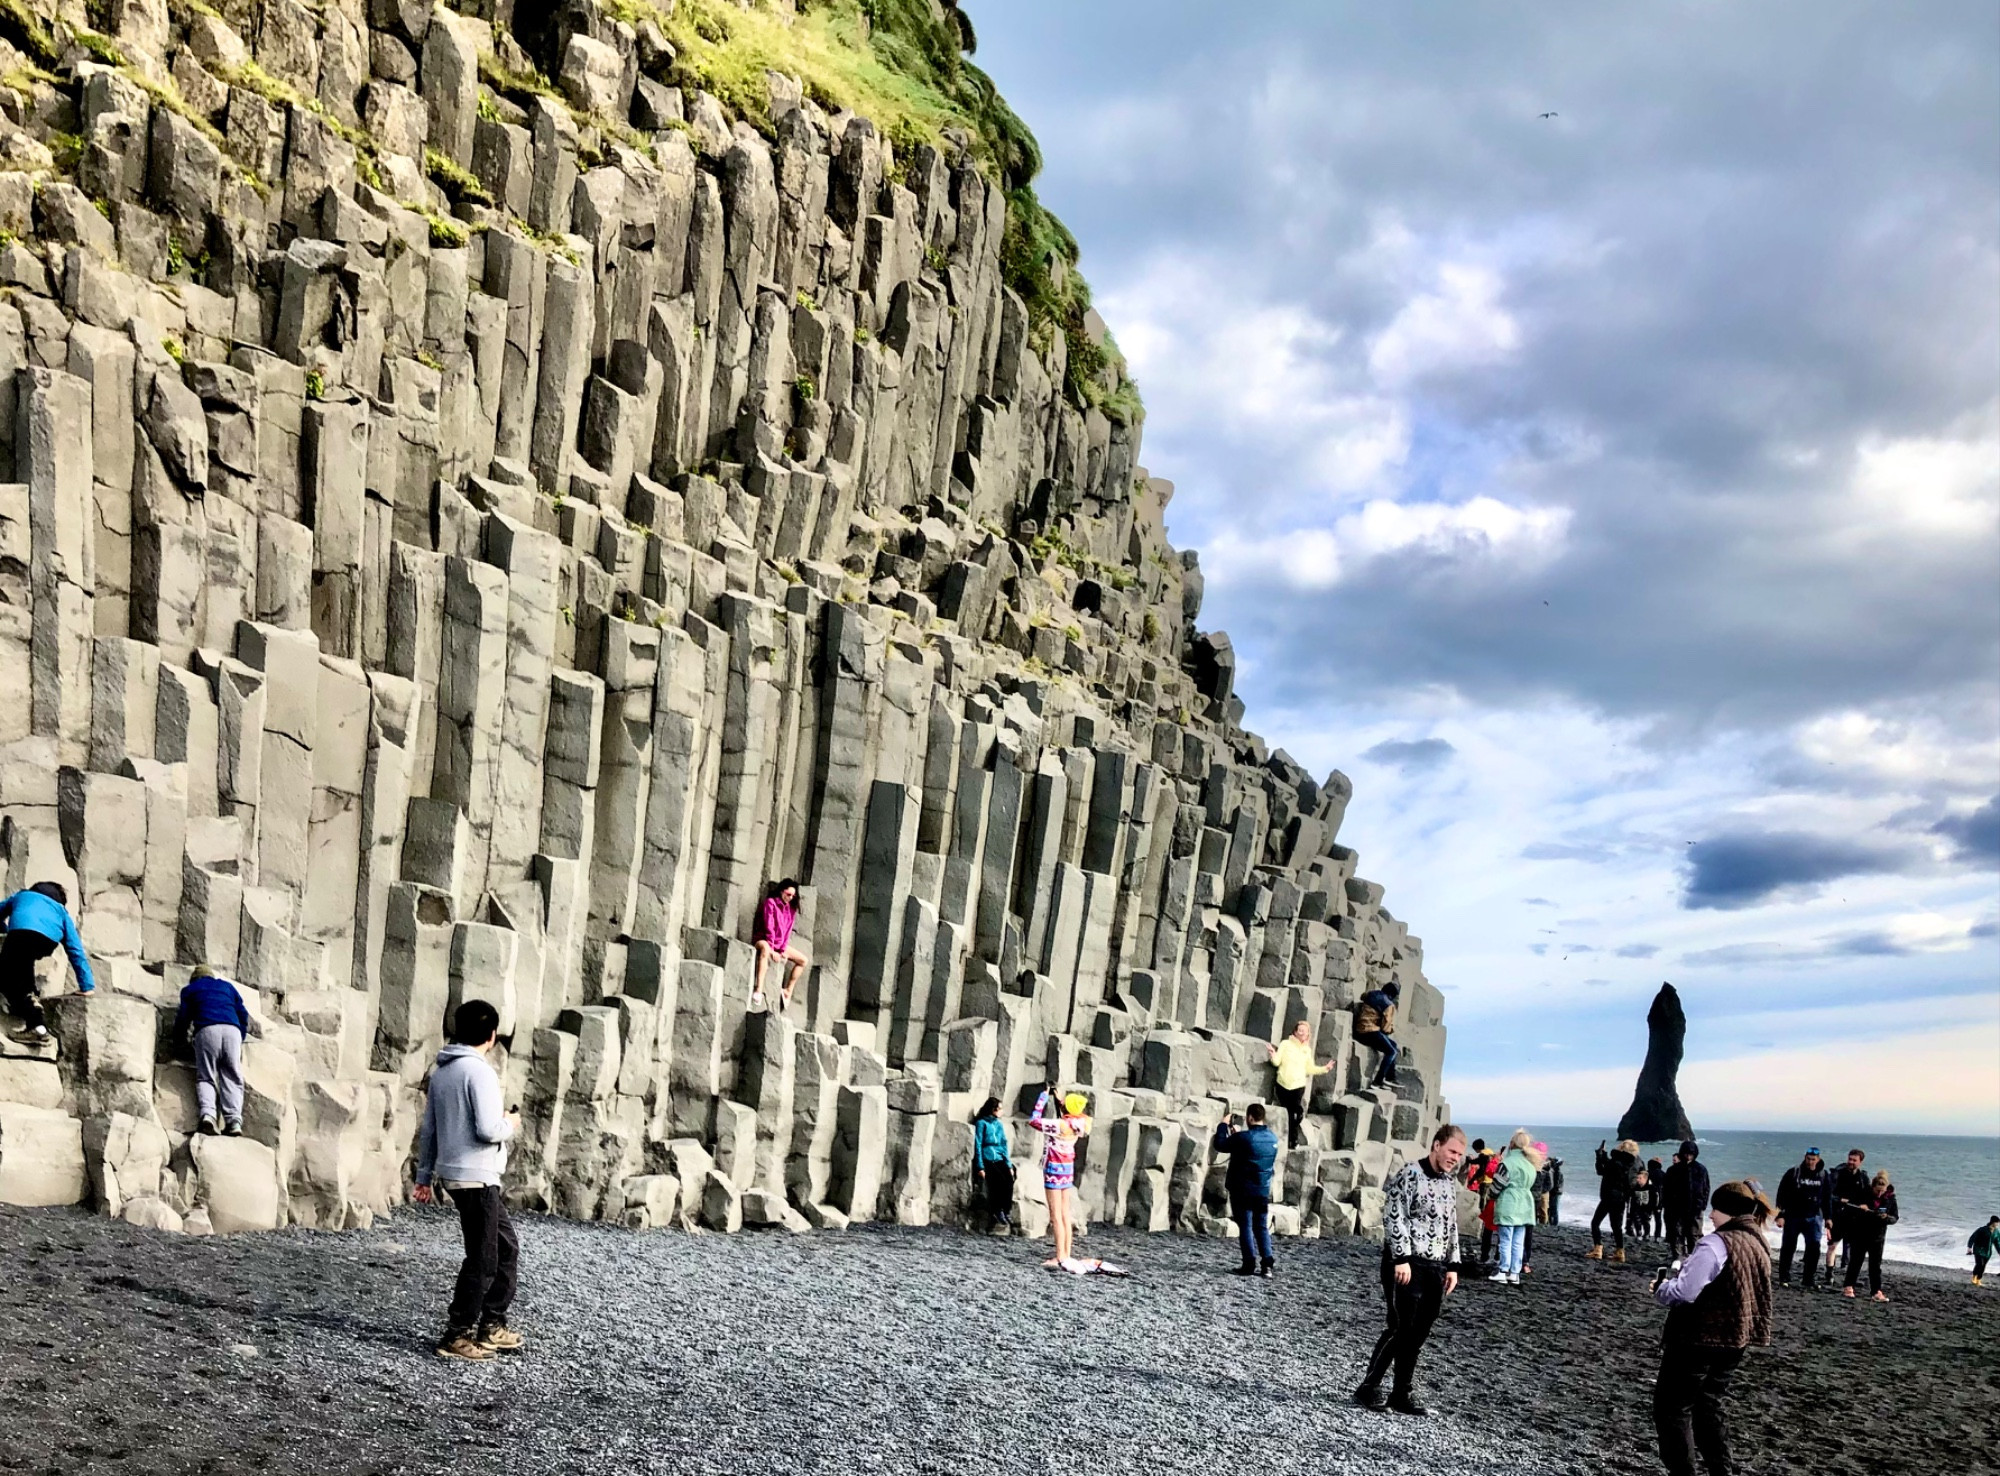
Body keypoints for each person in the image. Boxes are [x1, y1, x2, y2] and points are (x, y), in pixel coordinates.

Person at [413, 1000, 523, 1361]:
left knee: (505, 1247)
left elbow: (428, 1129)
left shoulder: (443, 1071)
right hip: (476, 1176)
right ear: (492, 1036)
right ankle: (457, 1334)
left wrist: (424, 1175)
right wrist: (511, 1124)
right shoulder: (480, 1073)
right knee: (483, 1258)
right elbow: (488, 1129)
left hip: (455, 1174)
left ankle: (491, 1325)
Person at [1650, 1180, 1775, 1476]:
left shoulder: (1716, 1243)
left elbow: (1685, 1292)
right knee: (1708, 1406)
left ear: (1728, 1211)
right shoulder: (1758, 1241)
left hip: (1698, 1338)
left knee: (1673, 1410)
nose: (1710, 1216)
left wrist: (1661, 1288)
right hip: (1736, 1339)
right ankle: (1722, 1471)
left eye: (1715, 1209)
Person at [1353, 1123, 1467, 1417]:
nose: (1455, 1157)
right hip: (1405, 1264)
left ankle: (1401, 1393)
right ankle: (1369, 1387)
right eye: (1452, 1151)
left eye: (1460, 1154)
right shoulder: (1409, 1174)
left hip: (1436, 1267)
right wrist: (1401, 1258)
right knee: (1400, 1328)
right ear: (1437, 1145)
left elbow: (1451, 1226)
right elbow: (1394, 1216)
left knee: (1419, 1333)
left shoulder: (1447, 1183)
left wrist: (1453, 1265)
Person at [0, 881, 95, 1043]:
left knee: (6, 977)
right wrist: (87, 986)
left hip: (20, 934)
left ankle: (35, 1022)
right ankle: (30, 1006)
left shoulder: (22, 896)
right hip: (46, 941)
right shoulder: (61, 911)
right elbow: (75, 950)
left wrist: (5, 929)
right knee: (24, 967)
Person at [174, 970, 251, 1137]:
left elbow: (183, 1017)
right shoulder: (227, 987)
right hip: (232, 1030)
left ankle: (208, 1116)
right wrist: (241, 1036)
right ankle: (234, 1122)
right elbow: (243, 1014)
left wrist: (178, 1040)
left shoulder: (190, 989)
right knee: (232, 1075)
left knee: (206, 1076)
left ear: (194, 979)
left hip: (207, 1029)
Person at [1213, 1102, 1281, 1277]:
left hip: (1242, 1189)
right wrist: (1238, 1137)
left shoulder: (1243, 1138)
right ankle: (1267, 1265)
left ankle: (1248, 1264)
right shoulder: (1273, 1139)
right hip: (1262, 1189)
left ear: (1250, 1117)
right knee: (1261, 1227)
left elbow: (1220, 1144)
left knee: (1246, 1226)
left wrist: (1223, 1124)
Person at [1029, 1088, 1090, 1268]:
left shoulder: (1060, 1126)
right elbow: (1072, 1111)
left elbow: (1034, 1120)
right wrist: (1060, 1101)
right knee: (1065, 1214)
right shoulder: (1082, 1123)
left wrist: (1042, 1097)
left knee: (1055, 1215)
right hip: (1067, 1170)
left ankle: (1059, 1257)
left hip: (1054, 1170)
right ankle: (1067, 1254)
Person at [1264, 1020, 1331, 1149]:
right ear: (1295, 1031)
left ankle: (1292, 1139)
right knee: (1287, 1112)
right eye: (1299, 1030)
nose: (1301, 1032)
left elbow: (1310, 1069)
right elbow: (1277, 1062)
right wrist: (1273, 1054)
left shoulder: (1307, 1050)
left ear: (1307, 1035)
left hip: (1298, 1085)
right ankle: (1290, 1141)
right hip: (1283, 1083)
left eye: (1304, 1031)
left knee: (1296, 1112)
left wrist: (1324, 1069)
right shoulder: (1285, 1044)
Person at [1773, 1147, 1832, 1289]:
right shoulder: (1794, 1173)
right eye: (1808, 1158)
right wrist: (1781, 1215)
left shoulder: (1824, 1175)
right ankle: (1784, 1277)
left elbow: (1827, 1198)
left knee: (1813, 1249)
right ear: (1805, 1157)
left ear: (1818, 1159)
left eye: (1813, 1159)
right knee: (1788, 1247)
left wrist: (1828, 1217)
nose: (1810, 1162)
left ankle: (1808, 1279)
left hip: (1814, 1217)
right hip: (1793, 1216)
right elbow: (1782, 1194)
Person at [1492, 1129, 1542, 1286]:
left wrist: (1492, 1196)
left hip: (1509, 1203)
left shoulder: (1507, 1163)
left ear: (1512, 1144)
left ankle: (1502, 1271)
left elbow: (1496, 1186)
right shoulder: (1531, 1165)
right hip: (1525, 1205)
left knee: (1505, 1240)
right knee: (1518, 1242)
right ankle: (1514, 1273)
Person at [751, 879, 808, 1010]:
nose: (790, 898)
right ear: (782, 891)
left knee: (803, 961)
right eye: (788, 894)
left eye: (793, 896)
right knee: (765, 950)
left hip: (779, 944)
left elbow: (787, 931)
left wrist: (782, 950)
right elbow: (768, 926)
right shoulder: (770, 903)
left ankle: (788, 991)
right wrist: (772, 949)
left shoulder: (791, 909)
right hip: (763, 939)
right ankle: (758, 989)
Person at [1841, 1169, 1897, 1302]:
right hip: (1860, 1234)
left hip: (1878, 1236)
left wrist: (1886, 1217)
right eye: (1877, 1190)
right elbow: (1849, 1209)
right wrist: (1861, 1209)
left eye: (1882, 1191)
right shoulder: (1863, 1194)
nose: (1879, 1193)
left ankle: (1876, 1291)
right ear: (1873, 1187)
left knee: (1875, 1266)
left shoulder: (1890, 1199)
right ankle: (1849, 1286)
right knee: (1856, 1262)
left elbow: (1895, 1217)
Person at [1588, 1138, 1641, 1262]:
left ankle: (1598, 1249)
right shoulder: (1636, 1163)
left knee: (1595, 1222)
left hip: (1609, 1195)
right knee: (1616, 1226)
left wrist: (1600, 1155)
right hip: (1623, 1197)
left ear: (1622, 1148)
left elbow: (1601, 1170)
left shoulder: (1616, 1161)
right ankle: (1619, 1251)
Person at [1826, 1148, 1870, 1286]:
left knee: (1854, 1249)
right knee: (1832, 1246)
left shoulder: (1863, 1177)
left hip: (1855, 1218)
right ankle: (1829, 1275)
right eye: (1849, 1159)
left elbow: (1868, 1196)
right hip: (1838, 1215)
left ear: (1860, 1162)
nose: (1851, 1162)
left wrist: (1865, 1206)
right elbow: (1827, 1195)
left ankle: (1851, 1278)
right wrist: (1839, 1200)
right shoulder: (1837, 1174)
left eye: (1854, 1160)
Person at [972, 1096, 1014, 1231]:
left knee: (1009, 1180)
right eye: (999, 1109)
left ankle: (1005, 1209)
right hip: (987, 1156)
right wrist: (980, 1166)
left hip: (999, 1156)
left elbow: (1003, 1143)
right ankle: (997, 1210)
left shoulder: (998, 1124)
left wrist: (1008, 1164)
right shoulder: (982, 1123)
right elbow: (978, 1144)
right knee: (997, 1182)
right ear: (992, 1109)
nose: (1001, 1112)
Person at [1662, 1140, 1710, 1259]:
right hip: (1676, 1208)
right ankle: (1677, 1258)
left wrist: (1703, 1204)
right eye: (1686, 1154)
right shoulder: (1673, 1170)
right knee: (1677, 1233)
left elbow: (1706, 1188)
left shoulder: (1701, 1170)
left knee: (1694, 1234)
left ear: (1695, 1154)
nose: (1688, 1156)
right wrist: (1667, 1205)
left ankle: (1694, 1259)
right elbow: (1666, 1189)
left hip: (1695, 1208)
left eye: (1691, 1154)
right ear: (1681, 1154)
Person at [1352, 981, 1400, 1086]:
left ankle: (1391, 1077)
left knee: (1394, 1045)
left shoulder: (1371, 993)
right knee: (1391, 1052)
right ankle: (1378, 1081)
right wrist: (1391, 1029)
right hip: (1370, 1033)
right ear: (1393, 995)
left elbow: (1362, 996)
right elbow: (1385, 1028)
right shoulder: (1389, 1005)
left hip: (1359, 1029)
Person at [1968, 1215, 1998, 1287]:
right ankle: (1974, 1277)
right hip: (1978, 1249)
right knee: (1979, 1264)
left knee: (1983, 1266)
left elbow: (1997, 1243)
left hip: (1987, 1252)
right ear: (1993, 1222)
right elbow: (1973, 1237)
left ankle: (1978, 1279)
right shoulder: (1982, 1229)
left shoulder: (1996, 1232)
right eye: (1997, 1223)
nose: (1998, 1224)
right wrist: (1969, 1247)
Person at [1545, 1153, 1565, 1226]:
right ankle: (1552, 1223)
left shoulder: (1557, 1172)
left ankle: (1554, 1223)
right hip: (1556, 1191)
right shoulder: (1556, 1171)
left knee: (1554, 1208)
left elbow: (1555, 1184)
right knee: (1552, 1208)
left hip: (1556, 1192)